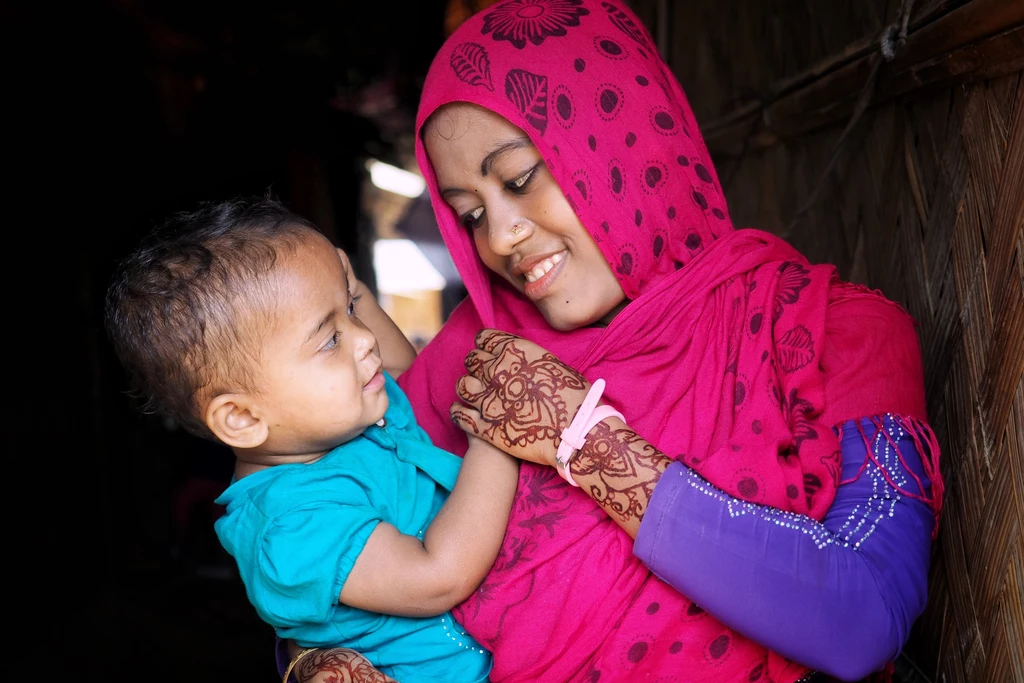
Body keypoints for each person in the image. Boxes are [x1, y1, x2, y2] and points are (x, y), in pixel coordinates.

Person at [281, 0, 944, 680]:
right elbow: (318, 564)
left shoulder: (831, 331)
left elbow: (865, 616)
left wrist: (589, 443)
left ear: (616, 134)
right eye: (472, 214)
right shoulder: (474, 366)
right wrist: (318, 662)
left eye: (519, 180)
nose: (502, 237)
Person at [104, 195, 521, 683]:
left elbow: (408, 375)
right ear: (241, 416)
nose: (363, 338)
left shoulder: (349, 414)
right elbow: (437, 576)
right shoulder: (290, 525)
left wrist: (353, 289)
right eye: (329, 339)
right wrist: (498, 438)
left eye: (350, 310)